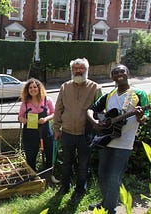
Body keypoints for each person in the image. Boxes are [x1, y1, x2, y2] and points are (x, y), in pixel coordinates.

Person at [86, 64, 149, 214]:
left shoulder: (138, 93)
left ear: (128, 74)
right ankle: (105, 202)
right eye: (115, 72)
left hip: (124, 144)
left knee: (114, 177)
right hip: (106, 140)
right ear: (112, 77)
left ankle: (110, 209)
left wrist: (140, 116)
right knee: (103, 175)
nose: (119, 74)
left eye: (122, 71)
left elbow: (145, 118)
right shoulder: (109, 94)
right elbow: (91, 109)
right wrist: (94, 122)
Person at [53, 58, 102, 202]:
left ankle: (80, 190)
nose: (78, 71)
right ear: (72, 71)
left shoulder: (95, 88)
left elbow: (100, 112)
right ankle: (65, 186)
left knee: (83, 165)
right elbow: (58, 109)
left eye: (81, 68)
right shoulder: (64, 87)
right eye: (76, 68)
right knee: (66, 162)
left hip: (85, 134)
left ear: (86, 70)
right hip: (67, 132)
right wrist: (57, 128)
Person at [18, 78, 59, 183]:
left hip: (45, 131)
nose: (32, 89)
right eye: (30, 88)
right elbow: (19, 117)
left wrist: (45, 119)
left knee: (49, 153)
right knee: (31, 155)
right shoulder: (25, 103)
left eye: (35, 87)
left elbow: (54, 113)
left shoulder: (47, 100)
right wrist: (26, 120)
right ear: (27, 90)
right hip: (30, 133)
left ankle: (50, 176)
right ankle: (33, 178)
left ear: (39, 88)